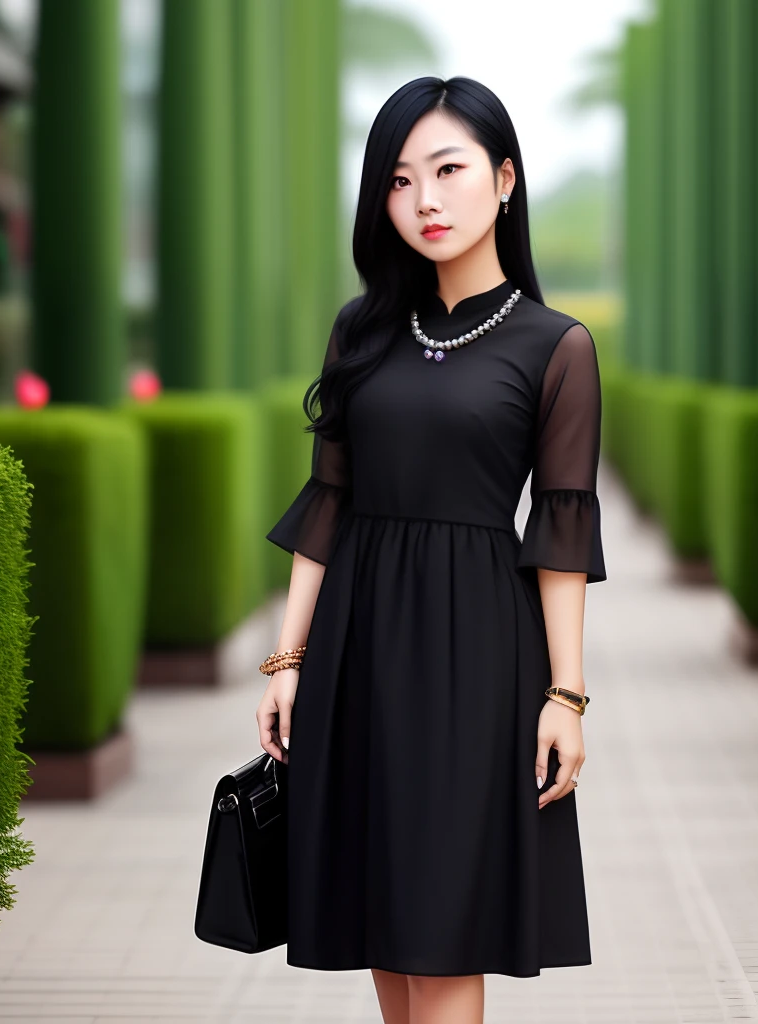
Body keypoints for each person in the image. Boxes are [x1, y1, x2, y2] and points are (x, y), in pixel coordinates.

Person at [256, 75, 607, 1024]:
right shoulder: (361, 332)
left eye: (448, 170)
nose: (426, 199)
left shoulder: (555, 347)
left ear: (504, 180)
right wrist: (289, 659)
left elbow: (564, 531)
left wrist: (565, 696)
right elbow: (329, 501)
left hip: (475, 659)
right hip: (356, 654)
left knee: (447, 934)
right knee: (385, 928)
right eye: (401, 180)